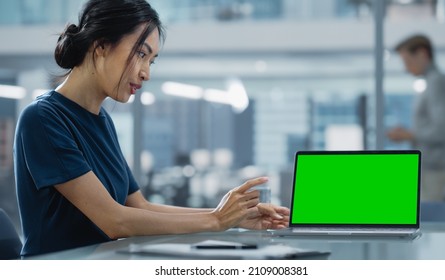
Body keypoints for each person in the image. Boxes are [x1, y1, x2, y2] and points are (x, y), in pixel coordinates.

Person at [13, 0, 289, 257]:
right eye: (141, 54)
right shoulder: (43, 118)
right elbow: (114, 221)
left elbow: (139, 207)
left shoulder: (102, 121)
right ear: (101, 47)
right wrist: (216, 220)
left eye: (151, 60)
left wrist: (230, 217)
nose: (147, 72)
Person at [387, 34, 445, 202]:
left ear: (422, 54)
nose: (406, 69)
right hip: (428, 171)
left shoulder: (437, 82)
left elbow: (442, 130)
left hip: (433, 172)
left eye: (407, 62)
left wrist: (409, 135)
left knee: (427, 222)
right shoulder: (429, 83)